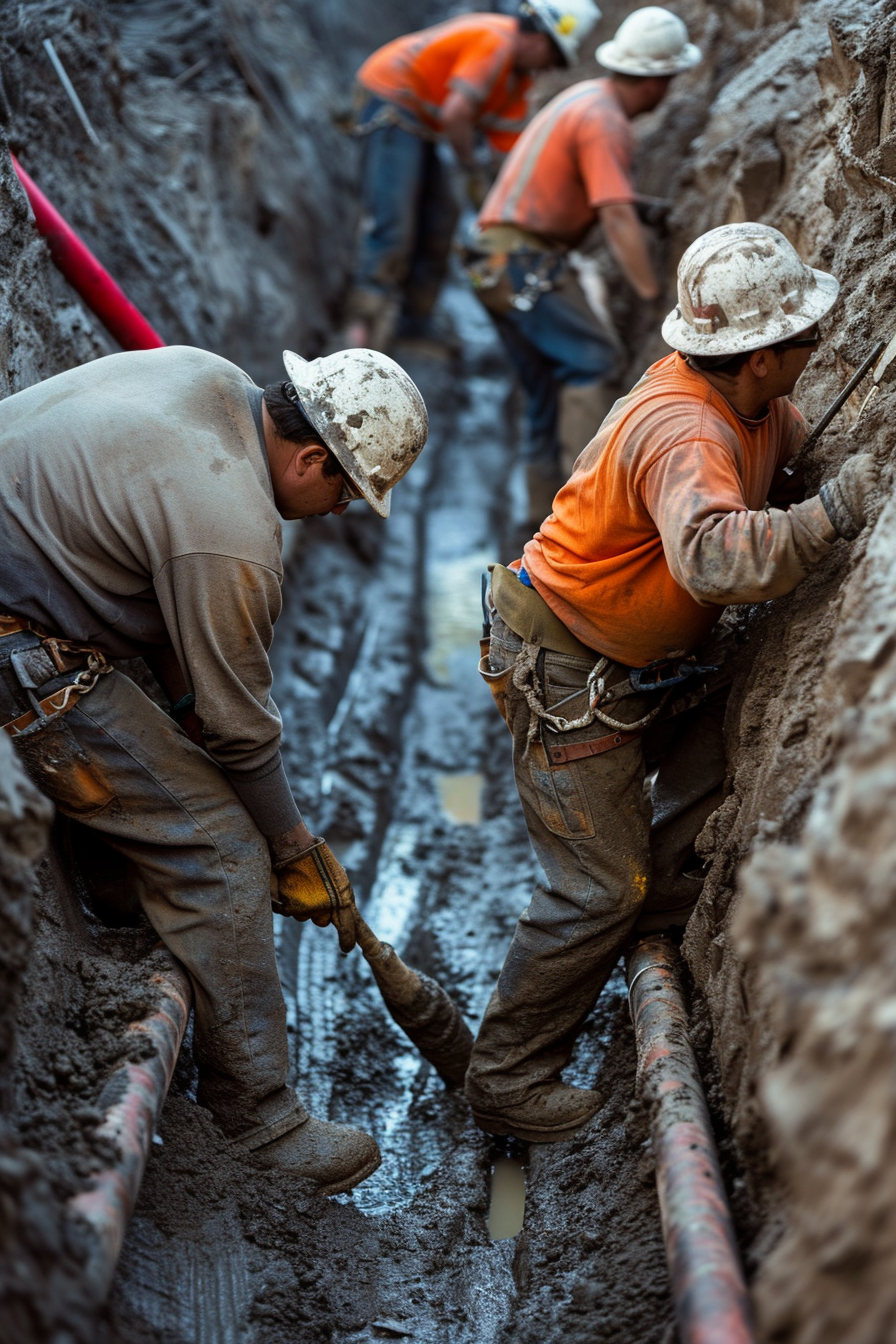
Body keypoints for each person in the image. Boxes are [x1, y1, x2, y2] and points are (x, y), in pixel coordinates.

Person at [465, 222, 878, 1143]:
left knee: (726, 734)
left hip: (636, 661)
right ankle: (506, 1078)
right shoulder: (687, 428)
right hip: (567, 668)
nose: (815, 351)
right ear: (761, 358)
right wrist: (830, 516)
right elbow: (715, 558)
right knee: (595, 890)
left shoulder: (756, 409)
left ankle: (662, 899)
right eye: (802, 340)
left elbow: (776, 471)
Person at [0, 343, 428, 1194]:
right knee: (222, 855)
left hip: (27, 587)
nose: (340, 511)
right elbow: (236, 727)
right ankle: (261, 1120)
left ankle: (132, 898)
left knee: (175, 789)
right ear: (310, 458)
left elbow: (190, 680)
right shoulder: (232, 530)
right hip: (19, 649)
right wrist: (288, 844)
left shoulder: (207, 379)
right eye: (345, 490)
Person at [468, 6, 701, 526]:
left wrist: (638, 205)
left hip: (494, 258)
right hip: (522, 258)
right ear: (659, 80)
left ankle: (537, 523)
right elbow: (613, 217)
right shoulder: (605, 121)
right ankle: (593, 514)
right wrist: (652, 296)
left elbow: (602, 194)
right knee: (591, 362)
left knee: (542, 392)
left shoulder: (585, 99)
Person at [344, 1, 601, 353]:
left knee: (441, 218)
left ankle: (414, 324)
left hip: (421, 120)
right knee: (393, 220)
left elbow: (510, 156)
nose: (550, 70)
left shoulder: (518, 81)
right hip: (393, 99)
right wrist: (470, 169)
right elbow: (455, 115)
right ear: (542, 39)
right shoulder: (495, 43)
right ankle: (362, 326)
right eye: (554, 59)